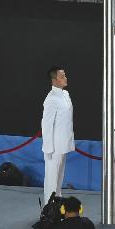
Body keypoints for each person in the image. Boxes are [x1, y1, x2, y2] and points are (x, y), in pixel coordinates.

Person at [41, 66, 74, 207]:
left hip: (63, 143)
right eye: (62, 77)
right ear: (54, 80)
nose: (65, 78)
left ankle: (57, 205)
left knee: (59, 178)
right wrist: (48, 148)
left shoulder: (65, 94)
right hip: (53, 146)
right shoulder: (51, 99)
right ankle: (49, 208)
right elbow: (46, 125)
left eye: (65, 75)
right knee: (51, 180)